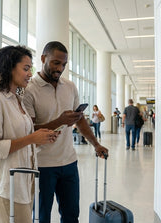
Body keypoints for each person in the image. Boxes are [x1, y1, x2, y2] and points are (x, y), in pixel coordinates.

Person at [23, 41, 108, 223]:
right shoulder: (29, 90)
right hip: (42, 165)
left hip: (69, 162)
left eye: (64, 64)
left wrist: (96, 144)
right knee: (41, 217)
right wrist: (59, 121)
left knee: (71, 216)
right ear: (43, 58)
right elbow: (28, 131)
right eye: (55, 63)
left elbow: (81, 120)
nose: (60, 68)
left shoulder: (70, 86)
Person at [0, 45, 59, 223]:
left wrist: (40, 139)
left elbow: (21, 141)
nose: (30, 74)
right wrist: (31, 138)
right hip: (7, 187)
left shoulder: (17, 100)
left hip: (24, 183)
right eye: (26, 68)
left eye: (30, 68)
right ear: (9, 67)